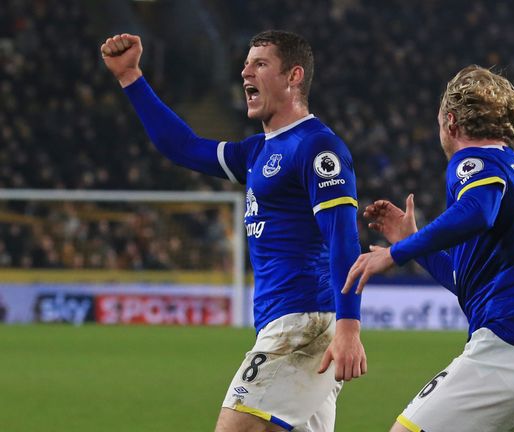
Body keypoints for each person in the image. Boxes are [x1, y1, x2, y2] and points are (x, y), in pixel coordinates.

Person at [101, 31, 366, 432]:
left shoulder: (317, 147)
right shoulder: (257, 152)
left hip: (303, 323)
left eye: (260, 63)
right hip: (290, 322)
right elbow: (183, 147)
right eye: (246, 63)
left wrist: (349, 326)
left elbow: (344, 241)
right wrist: (130, 78)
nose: (245, 71)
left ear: (294, 76)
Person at [343, 65, 514, 432]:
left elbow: (477, 213)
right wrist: (411, 243)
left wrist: (393, 254)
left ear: (450, 123)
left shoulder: (473, 161)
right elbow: (464, 277)